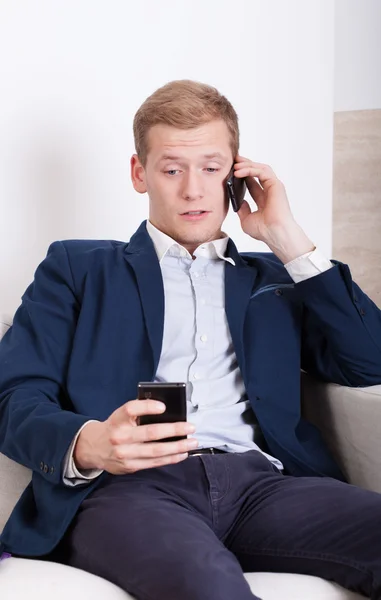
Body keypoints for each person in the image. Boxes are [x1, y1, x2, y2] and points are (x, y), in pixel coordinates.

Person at [1, 80, 381, 600]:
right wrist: (87, 442)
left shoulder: (277, 276)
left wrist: (286, 236)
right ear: (141, 174)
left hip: (262, 486)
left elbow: (370, 362)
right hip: (130, 491)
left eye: (210, 168)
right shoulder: (78, 268)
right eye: (172, 169)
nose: (193, 190)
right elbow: (13, 394)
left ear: (235, 174)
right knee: (207, 587)